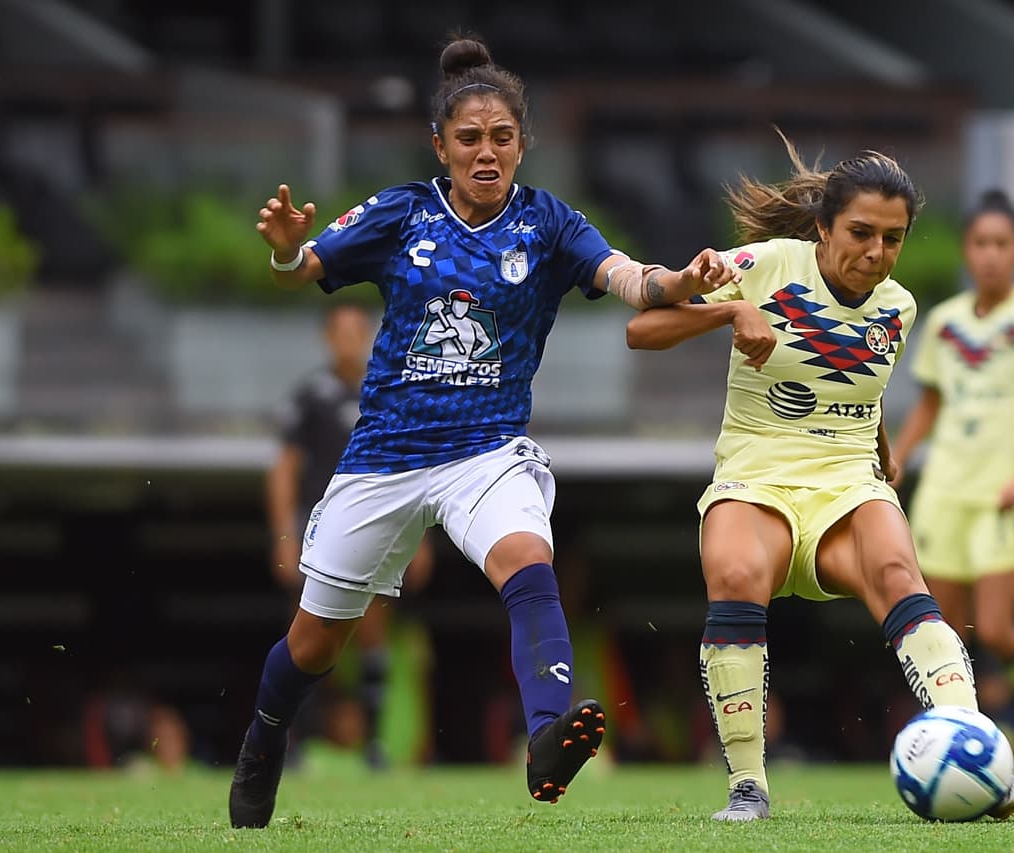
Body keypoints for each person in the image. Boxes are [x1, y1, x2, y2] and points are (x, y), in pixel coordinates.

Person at [229, 34, 737, 829]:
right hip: (386, 456)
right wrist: (289, 250)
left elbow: (634, 280)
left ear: (523, 144)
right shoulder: (401, 212)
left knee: (528, 560)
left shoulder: (551, 225)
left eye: (502, 137)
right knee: (315, 645)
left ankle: (545, 739)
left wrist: (685, 280)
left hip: (486, 452)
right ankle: (262, 743)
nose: (486, 152)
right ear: (441, 145)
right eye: (469, 138)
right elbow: (307, 269)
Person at [625, 136, 1014, 821]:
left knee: (901, 571)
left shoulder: (897, 309)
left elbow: (856, 386)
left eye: (893, 238)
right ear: (823, 227)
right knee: (734, 578)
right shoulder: (765, 266)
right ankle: (748, 785)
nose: (875, 253)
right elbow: (641, 329)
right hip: (757, 472)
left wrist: (880, 446)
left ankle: (975, 750)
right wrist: (728, 310)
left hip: (845, 479)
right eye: (861, 233)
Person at [888, 189, 1014, 782]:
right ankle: (963, 756)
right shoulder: (944, 322)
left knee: (995, 629)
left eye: (1002, 243)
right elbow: (928, 405)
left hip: (1007, 493)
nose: (991, 254)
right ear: (966, 250)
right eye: (980, 243)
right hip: (946, 488)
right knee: (944, 635)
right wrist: (897, 457)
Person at [267, 301, 435, 768]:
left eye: (357, 331)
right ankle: (293, 743)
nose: (349, 339)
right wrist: (283, 534)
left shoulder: (388, 393)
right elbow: (284, 469)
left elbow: (411, 465)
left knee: (373, 630)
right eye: (340, 331)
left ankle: (375, 745)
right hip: (319, 530)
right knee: (307, 635)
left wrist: (420, 537)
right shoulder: (310, 397)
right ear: (328, 337)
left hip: (376, 527)